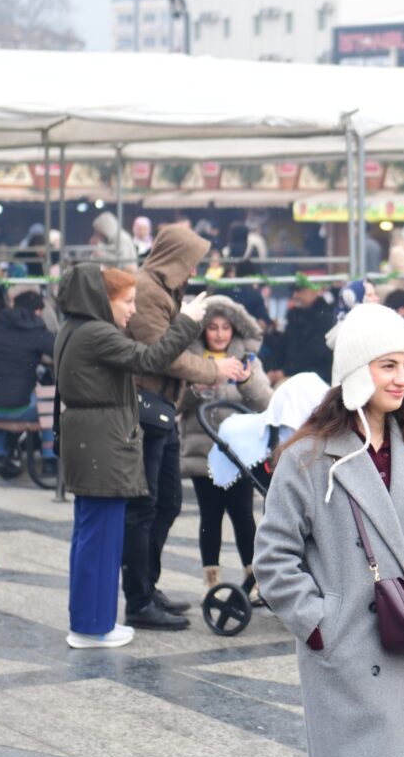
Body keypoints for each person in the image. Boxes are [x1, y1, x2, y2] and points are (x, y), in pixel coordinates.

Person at [253, 303, 404, 757]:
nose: (401, 378)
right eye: (387, 365)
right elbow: (273, 557)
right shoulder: (308, 457)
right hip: (346, 655)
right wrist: (320, 625)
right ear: (355, 371)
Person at [55, 265, 207, 649]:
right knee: (100, 539)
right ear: (101, 300)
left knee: (94, 537)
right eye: (127, 302)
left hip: (94, 444)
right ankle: (92, 626)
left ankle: (94, 620)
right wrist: (186, 321)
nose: (132, 311)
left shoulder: (76, 328)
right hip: (102, 447)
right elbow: (153, 359)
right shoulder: (97, 333)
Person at [124, 227, 248, 631]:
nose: (195, 269)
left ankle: (149, 586)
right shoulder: (148, 291)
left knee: (167, 502)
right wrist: (214, 369)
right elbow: (163, 356)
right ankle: (139, 599)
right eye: (191, 260)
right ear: (175, 257)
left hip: (164, 408)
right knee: (146, 506)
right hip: (146, 407)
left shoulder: (165, 289)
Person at [178, 297, 273, 592]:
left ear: (234, 329)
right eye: (212, 328)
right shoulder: (190, 360)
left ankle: (254, 580)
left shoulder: (248, 359)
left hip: (238, 455)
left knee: (243, 513)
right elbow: (176, 403)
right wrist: (195, 390)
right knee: (210, 515)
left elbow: (266, 402)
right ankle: (212, 581)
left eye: (225, 327)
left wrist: (246, 382)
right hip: (202, 451)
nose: (219, 334)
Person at [0, 292, 57, 479]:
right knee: (49, 402)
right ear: (38, 311)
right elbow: (60, 351)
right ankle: (50, 459)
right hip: (14, 409)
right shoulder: (37, 333)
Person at [277, 280, 336, 383]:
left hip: (316, 377)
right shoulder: (294, 315)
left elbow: (315, 353)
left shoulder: (324, 317)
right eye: (294, 291)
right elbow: (285, 346)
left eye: (300, 291)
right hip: (295, 374)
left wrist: (286, 371)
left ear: (315, 291)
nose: (295, 295)